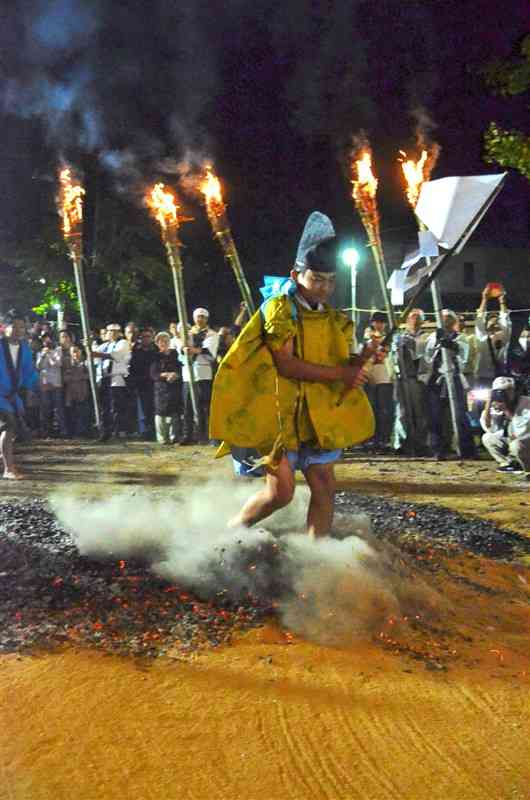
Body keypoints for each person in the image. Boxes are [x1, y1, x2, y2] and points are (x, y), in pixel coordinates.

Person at [210, 211, 374, 538]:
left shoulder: (334, 319)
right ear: (296, 274)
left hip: (315, 416)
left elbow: (340, 362)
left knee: (325, 486)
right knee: (281, 493)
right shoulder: (278, 310)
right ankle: (228, 535)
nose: (324, 288)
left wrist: (364, 358)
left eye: (330, 281)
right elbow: (286, 365)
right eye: (317, 279)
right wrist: (341, 374)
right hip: (277, 414)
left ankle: (316, 560)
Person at [424, 309, 476, 460]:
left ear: (454, 322)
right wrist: (437, 344)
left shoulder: (462, 338)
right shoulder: (433, 337)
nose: (445, 321)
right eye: (443, 318)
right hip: (438, 379)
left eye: (448, 318)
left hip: (454, 378)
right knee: (436, 415)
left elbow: (464, 357)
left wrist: (453, 346)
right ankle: (438, 448)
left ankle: (465, 448)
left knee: (460, 414)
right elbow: (428, 358)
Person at [0, 312, 38, 479]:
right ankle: (8, 469)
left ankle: (6, 461)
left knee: (13, 429)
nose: (18, 330)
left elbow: (29, 371)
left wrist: (30, 389)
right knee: (8, 426)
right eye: (14, 326)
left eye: (21, 327)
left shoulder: (24, 348)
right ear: (4, 327)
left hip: (13, 396)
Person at [392, 308, 430, 456]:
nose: (414, 320)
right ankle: (401, 443)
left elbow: (424, 356)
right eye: (412, 317)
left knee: (420, 412)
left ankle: (420, 443)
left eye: (417, 317)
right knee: (402, 412)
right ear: (407, 320)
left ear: (422, 321)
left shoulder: (426, 337)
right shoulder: (398, 337)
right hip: (402, 378)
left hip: (417, 378)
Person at [179, 308, 219, 445]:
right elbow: (180, 350)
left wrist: (193, 350)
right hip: (188, 374)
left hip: (203, 373)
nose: (200, 319)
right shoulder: (187, 333)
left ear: (206, 319)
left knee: (205, 406)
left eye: (202, 317)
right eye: (198, 317)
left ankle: (209, 435)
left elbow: (209, 352)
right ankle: (188, 435)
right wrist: (184, 348)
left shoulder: (212, 334)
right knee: (187, 406)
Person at [481, 376, 530, 474]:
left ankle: (528, 469)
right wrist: (488, 403)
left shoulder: (526, 402)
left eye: (507, 391)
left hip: (526, 439)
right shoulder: (496, 404)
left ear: (515, 391)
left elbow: (522, 430)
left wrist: (506, 410)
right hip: (513, 439)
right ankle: (510, 463)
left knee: (516, 445)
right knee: (488, 438)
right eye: (499, 391)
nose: (503, 394)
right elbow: (489, 428)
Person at [91, 323, 131, 440]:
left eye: (114, 331)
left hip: (117, 378)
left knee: (116, 406)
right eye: (109, 331)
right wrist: (89, 347)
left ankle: (119, 431)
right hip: (105, 378)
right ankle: (106, 431)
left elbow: (115, 355)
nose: (111, 333)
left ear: (119, 333)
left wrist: (96, 353)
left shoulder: (123, 343)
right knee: (105, 407)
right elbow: (94, 354)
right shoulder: (105, 345)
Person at [363, 312, 394, 452]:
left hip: (384, 375)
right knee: (371, 408)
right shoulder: (367, 338)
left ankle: (383, 439)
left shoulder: (389, 338)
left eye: (381, 322)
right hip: (369, 373)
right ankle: (371, 438)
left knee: (384, 409)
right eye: (377, 321)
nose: (379, 324)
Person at [151, 331, 182, 444]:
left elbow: (180, 368)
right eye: (160, 341)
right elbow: (153, 373)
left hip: (175, 386)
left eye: (165, 340)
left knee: (175, 410)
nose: (163, 343)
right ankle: (162, 438)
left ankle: (174, 436)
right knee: (160, 412)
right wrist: (166, 375)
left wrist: (175, 375)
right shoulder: (154, 356)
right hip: (161, 387)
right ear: (157, 343)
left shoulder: (175, 354)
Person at [128, 328, 157, 439]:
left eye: (148, 336)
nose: (146, 339)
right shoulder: (136, 352)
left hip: (154, 383)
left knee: (153, 408)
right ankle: (145, 431)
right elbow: (133, 368)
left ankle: (154, 430)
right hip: (141, 384)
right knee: (143, 409)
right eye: (143, 337)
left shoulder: (155, 351)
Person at [37, 333, 67, 437]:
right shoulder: (40, 352)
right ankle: (47, 431)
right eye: (44, 340)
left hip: (56, 383)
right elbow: (38, 366)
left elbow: (58, 364)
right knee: (46, 408)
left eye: (47, 339)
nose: (46, 342)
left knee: (58, 408)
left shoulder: (58, 350)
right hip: (45, 383)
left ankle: (62, 430)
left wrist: (49, 354)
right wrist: (42, 355)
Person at [63, 344, 90, 437]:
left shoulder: (85, 363)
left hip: (82, 391)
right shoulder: (67, 363)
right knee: (72, 413)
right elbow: (65, 378)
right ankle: (73, 432)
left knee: (83, 412)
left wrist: (76, 377)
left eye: (76, 351)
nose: (75, 353)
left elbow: (88, 376)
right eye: (73, 351)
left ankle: (83, 431)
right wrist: (78, 377)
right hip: (71, 393)